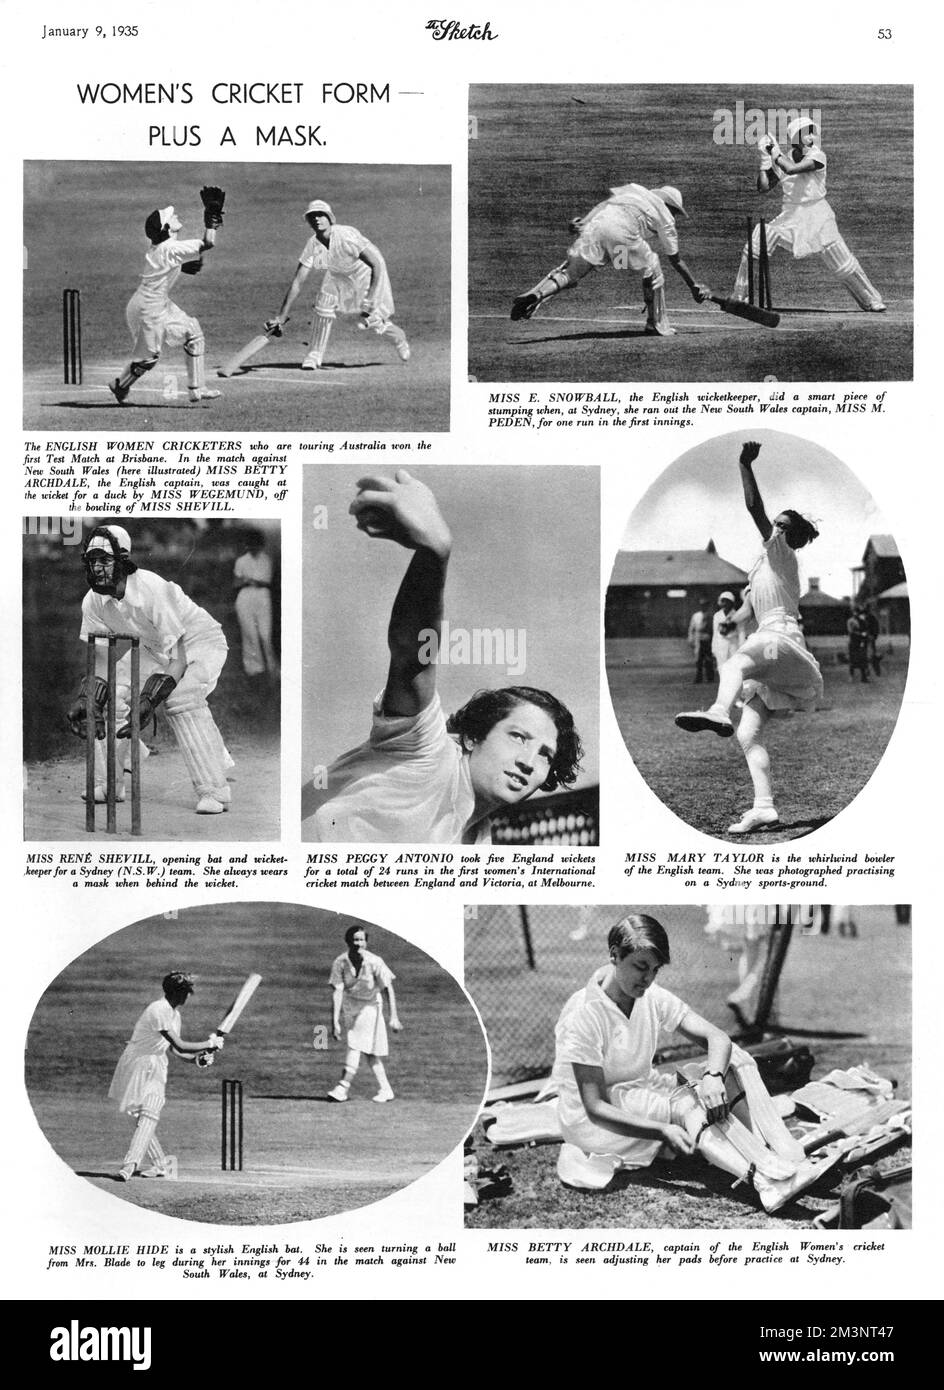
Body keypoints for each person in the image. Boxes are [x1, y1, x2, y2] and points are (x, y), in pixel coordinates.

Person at [301, 470, 583, 842]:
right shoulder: (427, 754)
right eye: (518, 736)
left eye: (546, 754)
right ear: (470, 739)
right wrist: (434, 554)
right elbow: (412, 656)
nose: (529, 762)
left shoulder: (478, 835)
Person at [550, 914, 833, 1212]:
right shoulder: (583, 1012)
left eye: (655, 970)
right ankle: (764, 1180)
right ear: (614, 956)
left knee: (734, 1060)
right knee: (686, 1102)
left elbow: (718, 1039)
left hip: (635, 1093)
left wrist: (713, 1076)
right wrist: (662, 1131)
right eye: (640, 966)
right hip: (594, 1122)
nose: (647, 979)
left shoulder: (650, 996)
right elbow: (595, 1107)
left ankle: (788, 1155)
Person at [675, 441, 824, 835]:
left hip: (779, 637)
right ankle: (764, 808)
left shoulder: (780, 552)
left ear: (790, 535)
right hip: (780, 643)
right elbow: (747, 608)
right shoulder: (765, 567)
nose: (774, 528)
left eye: (782, 525)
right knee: (748, 733)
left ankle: (718, 710)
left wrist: (744, 464)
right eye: (776, 524)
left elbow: (753, 508)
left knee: (734, 664)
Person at [66, 524, 234, 815]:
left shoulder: (152, 589)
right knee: (110, 695)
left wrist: (148, 700)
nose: (97, 568)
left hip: (197, 642)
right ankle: (111, 782)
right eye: (92, 561)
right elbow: (102, 662)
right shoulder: (92, 601)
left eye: (104, 561)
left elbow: (178, 660)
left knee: (181, 697)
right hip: (153, 648)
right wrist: (87, 698)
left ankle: (214, 790)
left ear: (123, 561)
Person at [510, 184, 710, 336]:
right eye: (676, 210)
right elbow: (675, 259)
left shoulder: (634, 191)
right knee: (652, 265)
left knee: (571, 272)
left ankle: (536, 295)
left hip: (596, 227)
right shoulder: (666, 217)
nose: (675, 214)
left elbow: (603, 205)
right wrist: (693, 286)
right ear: (670, 206)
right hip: (621, 239)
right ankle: (655, 324)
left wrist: (583, 223)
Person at [731, 118, 885, 311]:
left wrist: (775, 154)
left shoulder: (818, 155)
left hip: (818, 215)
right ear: (795, 136)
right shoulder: (783, 158)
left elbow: (792, 169)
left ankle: (870, 299)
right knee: (760, 236)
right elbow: (763, 187)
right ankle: (740, 295)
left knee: (841, 261)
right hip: (791, 216)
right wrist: (764, 162)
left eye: (813, 132)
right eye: (807, 132)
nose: (812, 136)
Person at [110, 188, 226, 405]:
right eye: (171, 217)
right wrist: (211, 223)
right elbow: (208, 243)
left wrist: (181, 268)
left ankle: (197, 389)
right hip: (148, 310)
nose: (175, 216)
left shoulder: (161, 248)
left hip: (154, 303)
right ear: (166, 228)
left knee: (194, 331)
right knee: (149, 359)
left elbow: (162, 267)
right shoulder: (170, 248)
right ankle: (120, 385)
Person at [266, 199, 410, 370]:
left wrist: (370, 298)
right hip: (339, 273)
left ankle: (398, 336)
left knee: (371, 319)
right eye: (313, 216)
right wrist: (281, 316)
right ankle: (314, 355)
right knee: (323, 304)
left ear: (329, 218)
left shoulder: (345, 236)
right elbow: (298, 280)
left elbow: (375, 264)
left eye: (321, 215)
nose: (317, 219)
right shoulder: (314, 244)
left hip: (364, 271)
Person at [109, 971, 223, 1182]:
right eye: (188, 992)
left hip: (156, 1065)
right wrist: (210, 1044)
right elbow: (180, 1044)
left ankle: (130, 1164)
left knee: (149, 1115)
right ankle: (160, 1164)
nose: (190, 996)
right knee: (139, 1116)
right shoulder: (158, 1009)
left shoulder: (174, 1015)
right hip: (137, 1063)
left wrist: (199, 1059)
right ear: (180, 994)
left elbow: (176, 1051)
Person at [327, 926, 402, 1103]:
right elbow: (337, 992)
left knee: (355, 1043)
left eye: (362, 940)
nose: (359, 943)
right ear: (348, 942)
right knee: (370, 1052)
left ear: (366, 942)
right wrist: (334, 1021)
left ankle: (342, 1087)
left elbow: (387, 988)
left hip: (371, 1006)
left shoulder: (375, 962)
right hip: (350, 1006)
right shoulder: (340, 962)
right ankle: (386, 1089)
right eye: (355, 939)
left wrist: (394, 1016)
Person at [233, 530, 280, 682]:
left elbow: (266, 581)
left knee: (265, 634)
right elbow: (236, 583)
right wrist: (249, 581)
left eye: (257, 545)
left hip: (262, 597)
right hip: (245, 597)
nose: (254, 548)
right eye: (251, 545)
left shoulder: (266, 560)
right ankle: (254, 669)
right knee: (250, 634)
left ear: (261, 545)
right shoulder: (241, 561)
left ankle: (272, 667)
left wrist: (248, 579)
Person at [687, 598, 714, 684]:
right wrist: (690, 638)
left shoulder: (711, 616)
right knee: (698, 660)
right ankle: (698, 678)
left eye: (705, 605)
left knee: (708, 659)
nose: (703, 607)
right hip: (698, 638)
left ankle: (710, 677)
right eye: (702, 605)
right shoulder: (696, 616)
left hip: (708, 638)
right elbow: (691, 628)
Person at [711, 591, 740, 671]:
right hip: (721, 645)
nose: (724, 604)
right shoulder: (717, 615)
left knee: (733, 669)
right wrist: (714, 649)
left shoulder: (737, 614)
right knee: (722, 668)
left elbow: (740, 632)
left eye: (727, 601)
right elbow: (715, 633)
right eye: (723, 601)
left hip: (733, 644)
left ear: (732, 603)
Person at [847, 605, 870, 683]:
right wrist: (861, 634)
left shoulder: (862, 621)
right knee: (853, 660)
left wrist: (864, 636)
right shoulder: (851, 621)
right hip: (853, 642)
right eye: (855, 612)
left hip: (861, 642)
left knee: (862, 659)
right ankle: (851, 676)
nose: (856, 614)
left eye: (857, 612)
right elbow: (851, 632)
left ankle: (864, 677)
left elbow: (866, 630)